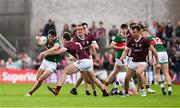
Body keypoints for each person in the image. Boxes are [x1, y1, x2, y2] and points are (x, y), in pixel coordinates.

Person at [45, 31, 109, 96]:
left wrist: (47, 53)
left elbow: (58, 52)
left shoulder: (67, 44)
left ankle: (57, 90)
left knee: (64, 71)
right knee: (92, 79)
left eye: (62, 39)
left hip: (83, 61)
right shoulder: (75, 42)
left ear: (64, 39)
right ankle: (104, 92)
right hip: (89, 61)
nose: (62, 40)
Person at [120, 25, 160, 97]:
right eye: (132, 32)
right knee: (126, 78)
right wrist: (122, 56)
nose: (132, 33)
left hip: (142, 62)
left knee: (139, 72)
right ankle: (126, 94)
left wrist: (157, 62)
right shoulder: (131, 40)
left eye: (134, 32)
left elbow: (154, 51)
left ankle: (142, 89)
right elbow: (125, 50)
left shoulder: (145, 41)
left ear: (138, 32)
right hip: (133, 61)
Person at [25, 29, 61, 96]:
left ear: (55, 37)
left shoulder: (56, 41)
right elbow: (39, 43)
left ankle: (30, 93)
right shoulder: (45, 38)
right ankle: (53, 88)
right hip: (45, 61)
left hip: (52, 63)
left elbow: (56, 47)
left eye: (52, 37)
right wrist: (38, 40)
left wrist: (44, 52)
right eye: (49, 36)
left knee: (41, 79)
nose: (50, 38)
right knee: (38, 78)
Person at [70, 23, 99, 96]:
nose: (83, 30)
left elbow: (94, 47)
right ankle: (88, 90)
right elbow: (72, 50)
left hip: (89, 58)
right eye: (79, 29)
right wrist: (74, 59)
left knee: (86, 76)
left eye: (84, 28)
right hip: (80, 59)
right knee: (87, 76)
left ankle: (76, 89)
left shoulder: (89, 36)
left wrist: (96, 56)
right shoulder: (75, 39)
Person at [141, 29, 172, 95]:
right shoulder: (157, 37)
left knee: (157, 73)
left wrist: (150, 58)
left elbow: (150, 49)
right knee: (166, 72)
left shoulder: (147, 40)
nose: (142, 36)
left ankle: (162, 87)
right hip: (164, 53)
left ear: (146, 33)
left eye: (142, 34)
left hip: (157, 54)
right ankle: (169, 88)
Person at [103, 24, 128, 90]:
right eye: (123, 29)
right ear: (121, 29)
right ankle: (121, 87)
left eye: (126, 29)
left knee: (115, 72)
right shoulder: (118, 37)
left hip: (123, 57)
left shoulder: (126, 37)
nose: (125, 30)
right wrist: (121, 48)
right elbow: (111, 45)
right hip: (120, 57)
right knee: (125, 72)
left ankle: (105, 85)